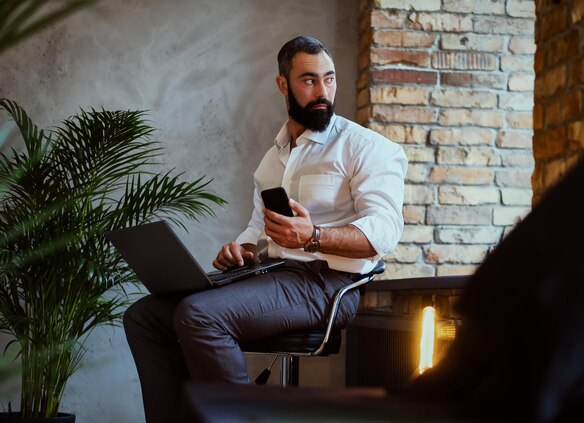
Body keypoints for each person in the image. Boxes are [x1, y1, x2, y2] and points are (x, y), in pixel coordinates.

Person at [123, 35, 408, 423]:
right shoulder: (273, 158)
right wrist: (239, 249)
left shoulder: (367, 148)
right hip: (269, 274)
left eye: (329, 78)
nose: (323, 91)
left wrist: (313, 236)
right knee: (145, 315)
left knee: (200, 315)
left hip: (327, 285)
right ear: (283, 84)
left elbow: (384, 233)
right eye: (309, 80)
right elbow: (259, 228)